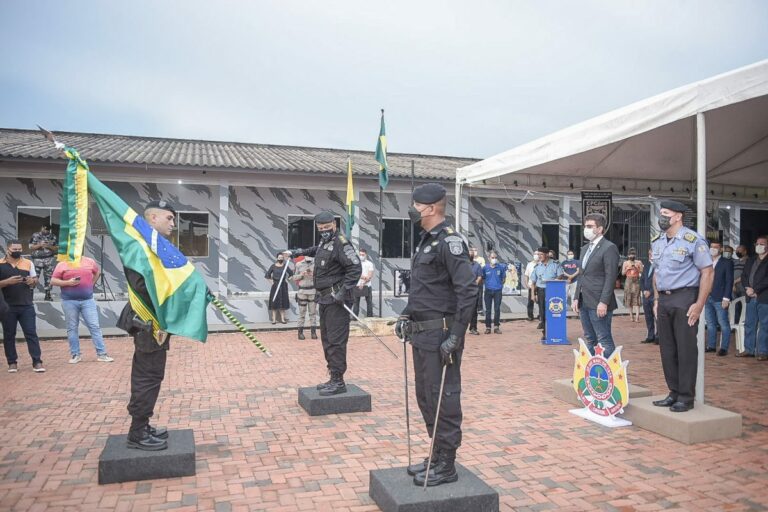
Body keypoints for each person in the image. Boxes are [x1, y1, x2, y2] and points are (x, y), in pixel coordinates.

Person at [394, 182, 476, 487]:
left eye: (416, 206)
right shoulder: (425, 242)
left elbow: (467, 291)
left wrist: (456, 336)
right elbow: (423, 290)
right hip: (421, 333)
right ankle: (437, 453)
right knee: (425, 396)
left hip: (442, 336)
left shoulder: (450, 243)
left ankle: (448, 463)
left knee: (445, 397)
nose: (412, 210)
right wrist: (406, 314)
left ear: (429, 209)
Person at [116, 200, 178, 450]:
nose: (173, 224)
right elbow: (143, 287)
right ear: (152, 218)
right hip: (146, 321)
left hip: (154, 322)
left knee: (153, 375)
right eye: (169, 218)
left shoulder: (154, 247)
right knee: (146, 376)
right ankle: (137, 432)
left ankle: (143, 425)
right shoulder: (140, 248)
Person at [290, 211, 361, 396]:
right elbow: (316, 250)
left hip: (337, 300)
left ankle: (339, 381)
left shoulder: (341, 243)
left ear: (334, 225)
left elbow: (355, 268)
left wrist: (343, 292)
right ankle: (333, 376)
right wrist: (299, 252)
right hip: (324, 299)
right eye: (321, 229)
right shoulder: (325, 242)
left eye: (327, 228)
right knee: (327, 340)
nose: (324, 232)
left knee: (336, 341)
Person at [651, 200, 713, 413]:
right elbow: (657, 272)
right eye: (661, 213)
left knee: (685, 349)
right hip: (665, 300)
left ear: (678, 216)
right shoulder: (658, 241)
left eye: (665, 213)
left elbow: (707, 271)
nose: (661, 217)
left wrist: (699, 304)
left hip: (685, 297)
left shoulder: (692, 240)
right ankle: (674, 392)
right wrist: (657, 300)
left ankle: (686, 397)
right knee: (667, 349)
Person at [51, 255, 114, 363]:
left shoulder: (89, 261)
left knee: (94, 326)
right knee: (72, 328)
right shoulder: (62, 263)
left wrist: (90, 285)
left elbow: (97, 273)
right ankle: (75, 355)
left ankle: (102, 354)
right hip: (69, 301)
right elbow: (53, 280)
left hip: (88, 300)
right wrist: (67, 283)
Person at [572, 213, 620, 357]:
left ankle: (607, 375)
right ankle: (590, 375)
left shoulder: (609, 248)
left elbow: (611, 277)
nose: (586, 229)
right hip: (584, 300)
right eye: (585, 226)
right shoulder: (585, 249)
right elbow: (581, 274)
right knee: (590, 338)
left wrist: (603, 302)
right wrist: (575, 297)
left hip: (599, 301)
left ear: (599, 229)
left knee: (603, 338)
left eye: (590, 226)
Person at [0, 240, 44, 373]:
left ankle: (37, 362)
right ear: (8, 249)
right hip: (7, 306)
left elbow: (35, 280)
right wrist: (7, 282)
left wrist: (32, 281)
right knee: (9, 335)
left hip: (26, 305)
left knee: (31, 333)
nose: (18, 251)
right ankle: (12, 362)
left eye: (19, 248)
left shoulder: (28, 263)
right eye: (15, 249)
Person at [740, 235, 768, 360]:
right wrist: (747, 288)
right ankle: (749, 350)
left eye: (762, 244)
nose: (759, 246)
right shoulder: (751, 260)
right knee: (750, 324)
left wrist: (755, 290)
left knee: (764, 325)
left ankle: (762, 352)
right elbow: (744, 275)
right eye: (757, 244)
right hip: (750, 297)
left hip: (763, 297)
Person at [704, 242, 734, 356]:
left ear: (720, 249)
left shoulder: (727, 263)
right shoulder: (706, 262)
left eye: (716, 247)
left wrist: (726, 298)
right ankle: (711, 346)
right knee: (710, 323)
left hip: (720, 297)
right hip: (707, 296)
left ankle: (724, 348)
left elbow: (729, 281)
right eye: (711, 247)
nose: (713, 249)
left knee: (723, 323)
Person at [530, 246, 562, 340]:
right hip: (541, 291)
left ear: (547, 254)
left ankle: (555, 331)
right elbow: (533, 282)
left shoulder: (555, 264)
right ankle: (545, 332)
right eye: (538, 254)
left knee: (554, 311)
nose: (539, 256)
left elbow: (560, 275)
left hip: (553, 290)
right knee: (542, 312)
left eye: (541, 254)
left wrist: (555, 280)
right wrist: (533, 294)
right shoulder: (537, 267)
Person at [28, 224, 58, 301]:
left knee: (48, 277)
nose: (45, 231)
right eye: (44, 229)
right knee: (34, 276)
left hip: (49, 259)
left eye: (47, 230)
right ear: (41, 228)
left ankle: (47, 294)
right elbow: (30, 246)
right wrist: (39, 245)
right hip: (37, 259)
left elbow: (56, 248)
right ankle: (30, 294)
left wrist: (48, 246)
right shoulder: (35, 235)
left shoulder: (53, 236)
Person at [291, 256, 317, 340]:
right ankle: (300, 333)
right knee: (302, 312)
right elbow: (294, 278)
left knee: (312, 313)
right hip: (302, 291)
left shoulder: (316, 264)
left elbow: (321, 277)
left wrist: (313, 274)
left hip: (312, 290)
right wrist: (302, 275)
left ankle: (313, 332)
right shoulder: (299, 264)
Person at [481, 251, 507, 334]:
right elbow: (483, 278)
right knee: (488, 310)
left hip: (497, 291)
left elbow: (503, 279)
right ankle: (488, 327)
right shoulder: (485, 268)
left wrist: (499, 285)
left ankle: (496, 327)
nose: (494, 259)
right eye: (492, 258)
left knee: (497, 309)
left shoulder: (501, 267)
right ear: (489, 258)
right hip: (488, 291)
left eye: (495, 258)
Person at [265, 252, 293, 324]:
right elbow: (267, 275)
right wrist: (272, 283)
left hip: (283, 286)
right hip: (275, 286)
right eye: (279, 257)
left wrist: (288, 280)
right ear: (277, 258)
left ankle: (282, 319)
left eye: (282, 258)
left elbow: (291, 274)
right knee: (274, 302)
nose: (281, 259)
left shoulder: (285, 266)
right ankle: (274, 320)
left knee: (282, 302)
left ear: (283, 258)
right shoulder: (273, 266)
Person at [640, 249, 658, 344]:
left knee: (656, 316)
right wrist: (643, 291)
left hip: (653, 295)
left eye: (652, 253)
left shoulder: (658, 265)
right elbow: (642, 280)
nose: (650, 255)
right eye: (649, 254)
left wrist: (650, 292)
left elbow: (658, 281)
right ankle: (650, 335)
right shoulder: (646, 265)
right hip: (645, 296)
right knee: (648, 317)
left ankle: (658, 336)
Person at [622, 248, 644, 322]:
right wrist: (627, 268)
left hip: (636, 281)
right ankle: (631, 316)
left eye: (633, 254)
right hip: (628, 281)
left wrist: (636, 268)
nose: (632, 256)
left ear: (635, 255)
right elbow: (622, 273)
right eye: (630, 255)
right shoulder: (625, 263)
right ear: (628, 255)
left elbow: (642, 271)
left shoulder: (639, 262)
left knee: (636, 298)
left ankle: (637, 317)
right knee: (629, 298)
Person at [353, 248, 374, 317]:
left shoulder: (370, 263)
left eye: (363, 255)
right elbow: (355, 274)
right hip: (357, 285)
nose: (361, 256)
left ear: (366, 255)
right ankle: (355, 318)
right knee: (356, 303)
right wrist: (364, 277)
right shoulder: (356, 263)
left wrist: (363, 282)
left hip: (367, 285)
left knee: (369, 302)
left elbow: (370, 276)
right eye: (360, 254)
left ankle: (370, 318)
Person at [468, 247, 483, 335]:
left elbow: (480, 276)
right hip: (464, 291)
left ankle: (473, 328)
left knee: (473, 311)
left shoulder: (477, 265)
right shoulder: (463, 265)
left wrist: (474, 284)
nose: (470, 254)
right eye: (469, 253)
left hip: (474, 291)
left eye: (472, 253)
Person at [732, 244, 748, 324]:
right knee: (735, 306)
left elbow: (746, 274)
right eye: (737, 251)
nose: (738, 252)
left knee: (744, 306)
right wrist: (733, 284)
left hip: (743, 288)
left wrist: (735, 282)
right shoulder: (735, 261)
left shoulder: (748, 261)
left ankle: (743, 323)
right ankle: (736, 322)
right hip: (734, 288)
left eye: (739, 250)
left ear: (745, 251)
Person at [523, 251, 539, 321]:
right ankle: (530, 316)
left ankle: (541, 315)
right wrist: (526, 284)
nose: (536, 255)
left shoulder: (541, 264)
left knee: (540, 301)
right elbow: (526, 275)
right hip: (531, 286)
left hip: (540, 286)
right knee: (530, 302)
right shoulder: (529, 264)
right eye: (535, 254)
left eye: (538, 254)